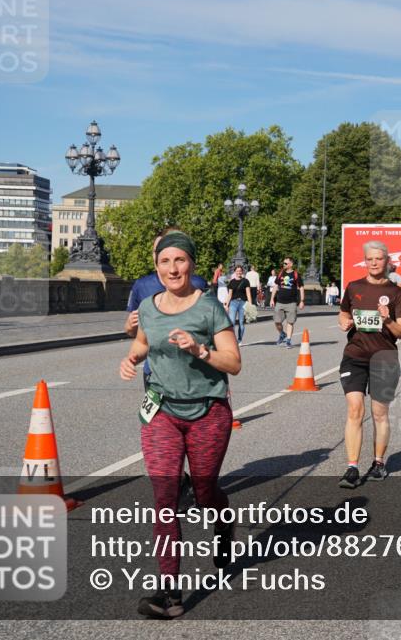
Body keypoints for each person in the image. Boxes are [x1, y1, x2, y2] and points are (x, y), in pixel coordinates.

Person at [118, 230, 242, 619]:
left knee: (205, 493)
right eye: (165, 262)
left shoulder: (209, 308)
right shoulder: (150, 307)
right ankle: (169, 592)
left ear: (191, 263)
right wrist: (132, 359)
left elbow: (234, 363)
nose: (173, 268)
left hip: (208, 411)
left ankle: (224, 524)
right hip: (162, 412)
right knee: (165, 500)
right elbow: (143, 342)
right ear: (156, 267)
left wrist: (200, 349)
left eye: (180, 260)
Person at [337, 241, 401, 488]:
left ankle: (378, 463)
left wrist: (387, 320)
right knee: (354, 409)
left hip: (384, 358)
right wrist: (344, 322)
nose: (374, 263)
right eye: (370, 259)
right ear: (365, 261)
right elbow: (344, 312)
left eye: (379, 259)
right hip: (355, 356)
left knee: (379, 413)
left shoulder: (396, 292)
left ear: (387, 261)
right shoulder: (354, 287)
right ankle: (352, 467)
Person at [124, 227, 209, 389]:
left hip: (195, 374)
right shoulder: (142, 285)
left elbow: (216, 337)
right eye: (158, 251)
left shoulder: (198, 285)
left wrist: (203, 352)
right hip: (155, 372)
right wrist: (129, 329)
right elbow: (138, 336)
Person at [271, 257, 304, 348]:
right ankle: (282, 334)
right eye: (283, 263)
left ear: (291, 264)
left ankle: (288, 340)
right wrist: (271, 299)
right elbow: (276, 286)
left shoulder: (296, 274)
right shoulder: (281, 273)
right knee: (277, 321)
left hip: (292, 302)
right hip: (280, 302)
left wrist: (302, 301)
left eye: (285, 263)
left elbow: (301, 287)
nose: (284, 265)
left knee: (290, 322)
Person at [226, 264, 251, 343]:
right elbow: (229, 295)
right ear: (235, 272)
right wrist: (226, 305)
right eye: (237, 271)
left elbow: (248, 293)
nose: (239, 272)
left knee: (241, 323)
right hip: (233, 303)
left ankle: (239, 340)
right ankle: (233, 339)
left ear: (242, 272)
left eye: (240, 271)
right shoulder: (232, 282)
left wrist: (250, 304)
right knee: (232, 322)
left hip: (243, 303)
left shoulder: (245, 281)